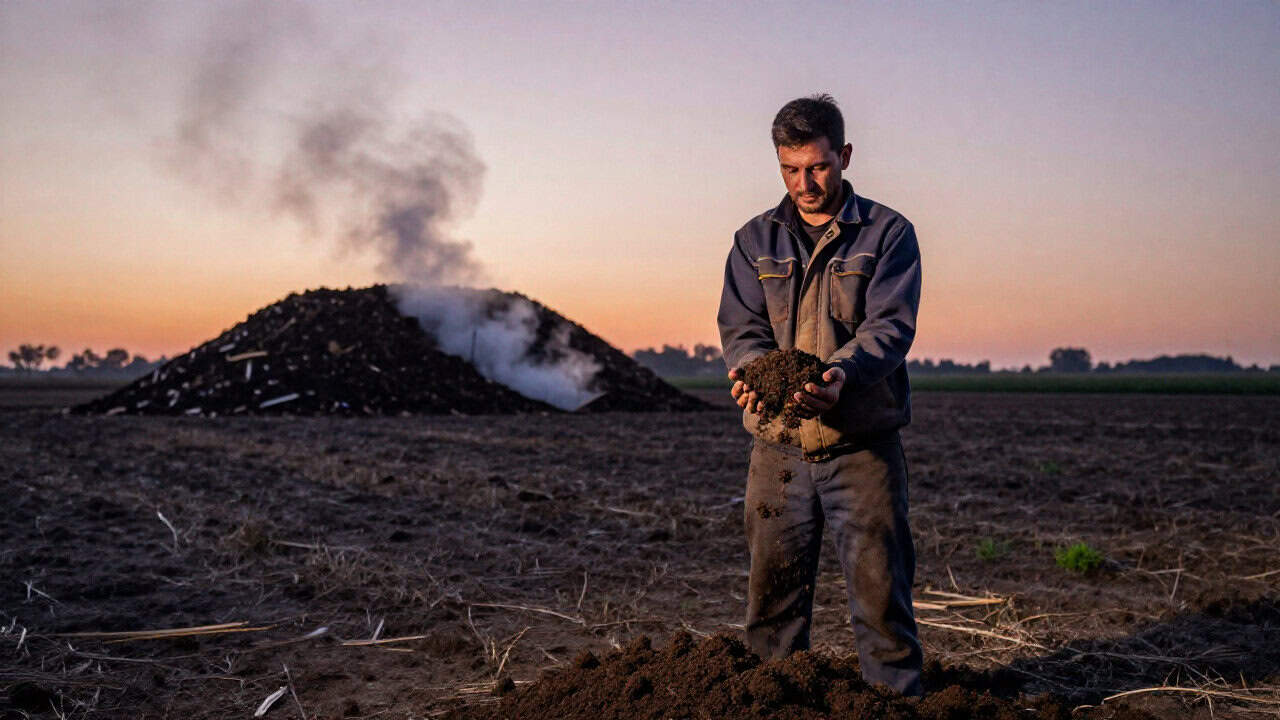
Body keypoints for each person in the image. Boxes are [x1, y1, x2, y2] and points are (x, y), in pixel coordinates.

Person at [716, 94, 924, 695]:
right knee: (771, 609)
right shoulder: (754, 239)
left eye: (818, 167)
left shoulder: (887, 234)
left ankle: (895, 705)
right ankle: (772, 704)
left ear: (845, 156)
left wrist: (838, 377)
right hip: (777, 451)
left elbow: (889, 328)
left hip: (860, 445)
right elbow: (743, 329)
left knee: (883, 605)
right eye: (790, 168)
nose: (804, 183)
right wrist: (754, 376)